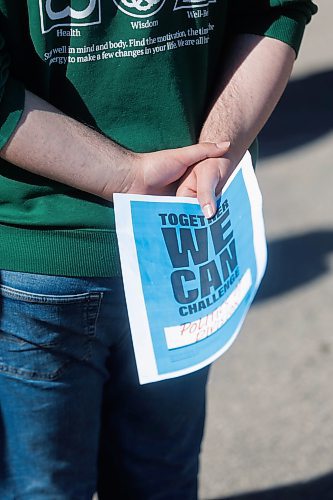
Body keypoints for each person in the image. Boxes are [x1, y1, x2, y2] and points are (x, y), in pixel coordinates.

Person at [0, 1, 317, 498]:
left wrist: (199, 157)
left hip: (66, 242)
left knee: (48, 486)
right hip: (169, 234)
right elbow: (275, 10)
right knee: (156, 477)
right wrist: (214, 153)